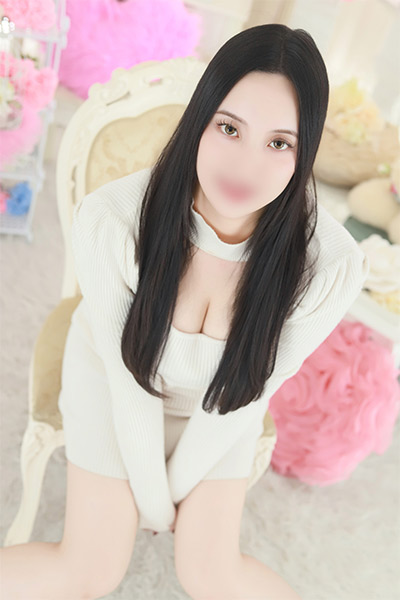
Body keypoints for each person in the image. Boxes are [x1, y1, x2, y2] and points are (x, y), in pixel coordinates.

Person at [1, 23, 369, 600]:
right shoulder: (113, 220)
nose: (245, 166)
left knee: (211, 574)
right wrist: (153, 500)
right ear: (200, 119)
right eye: (229, 128)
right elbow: (127, 381)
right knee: (89, 570)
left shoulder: (330, 266)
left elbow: (247, 395)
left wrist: (176, 490)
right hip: (112, 382)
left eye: (279, 143)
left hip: (222, 409)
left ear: (305, 154)